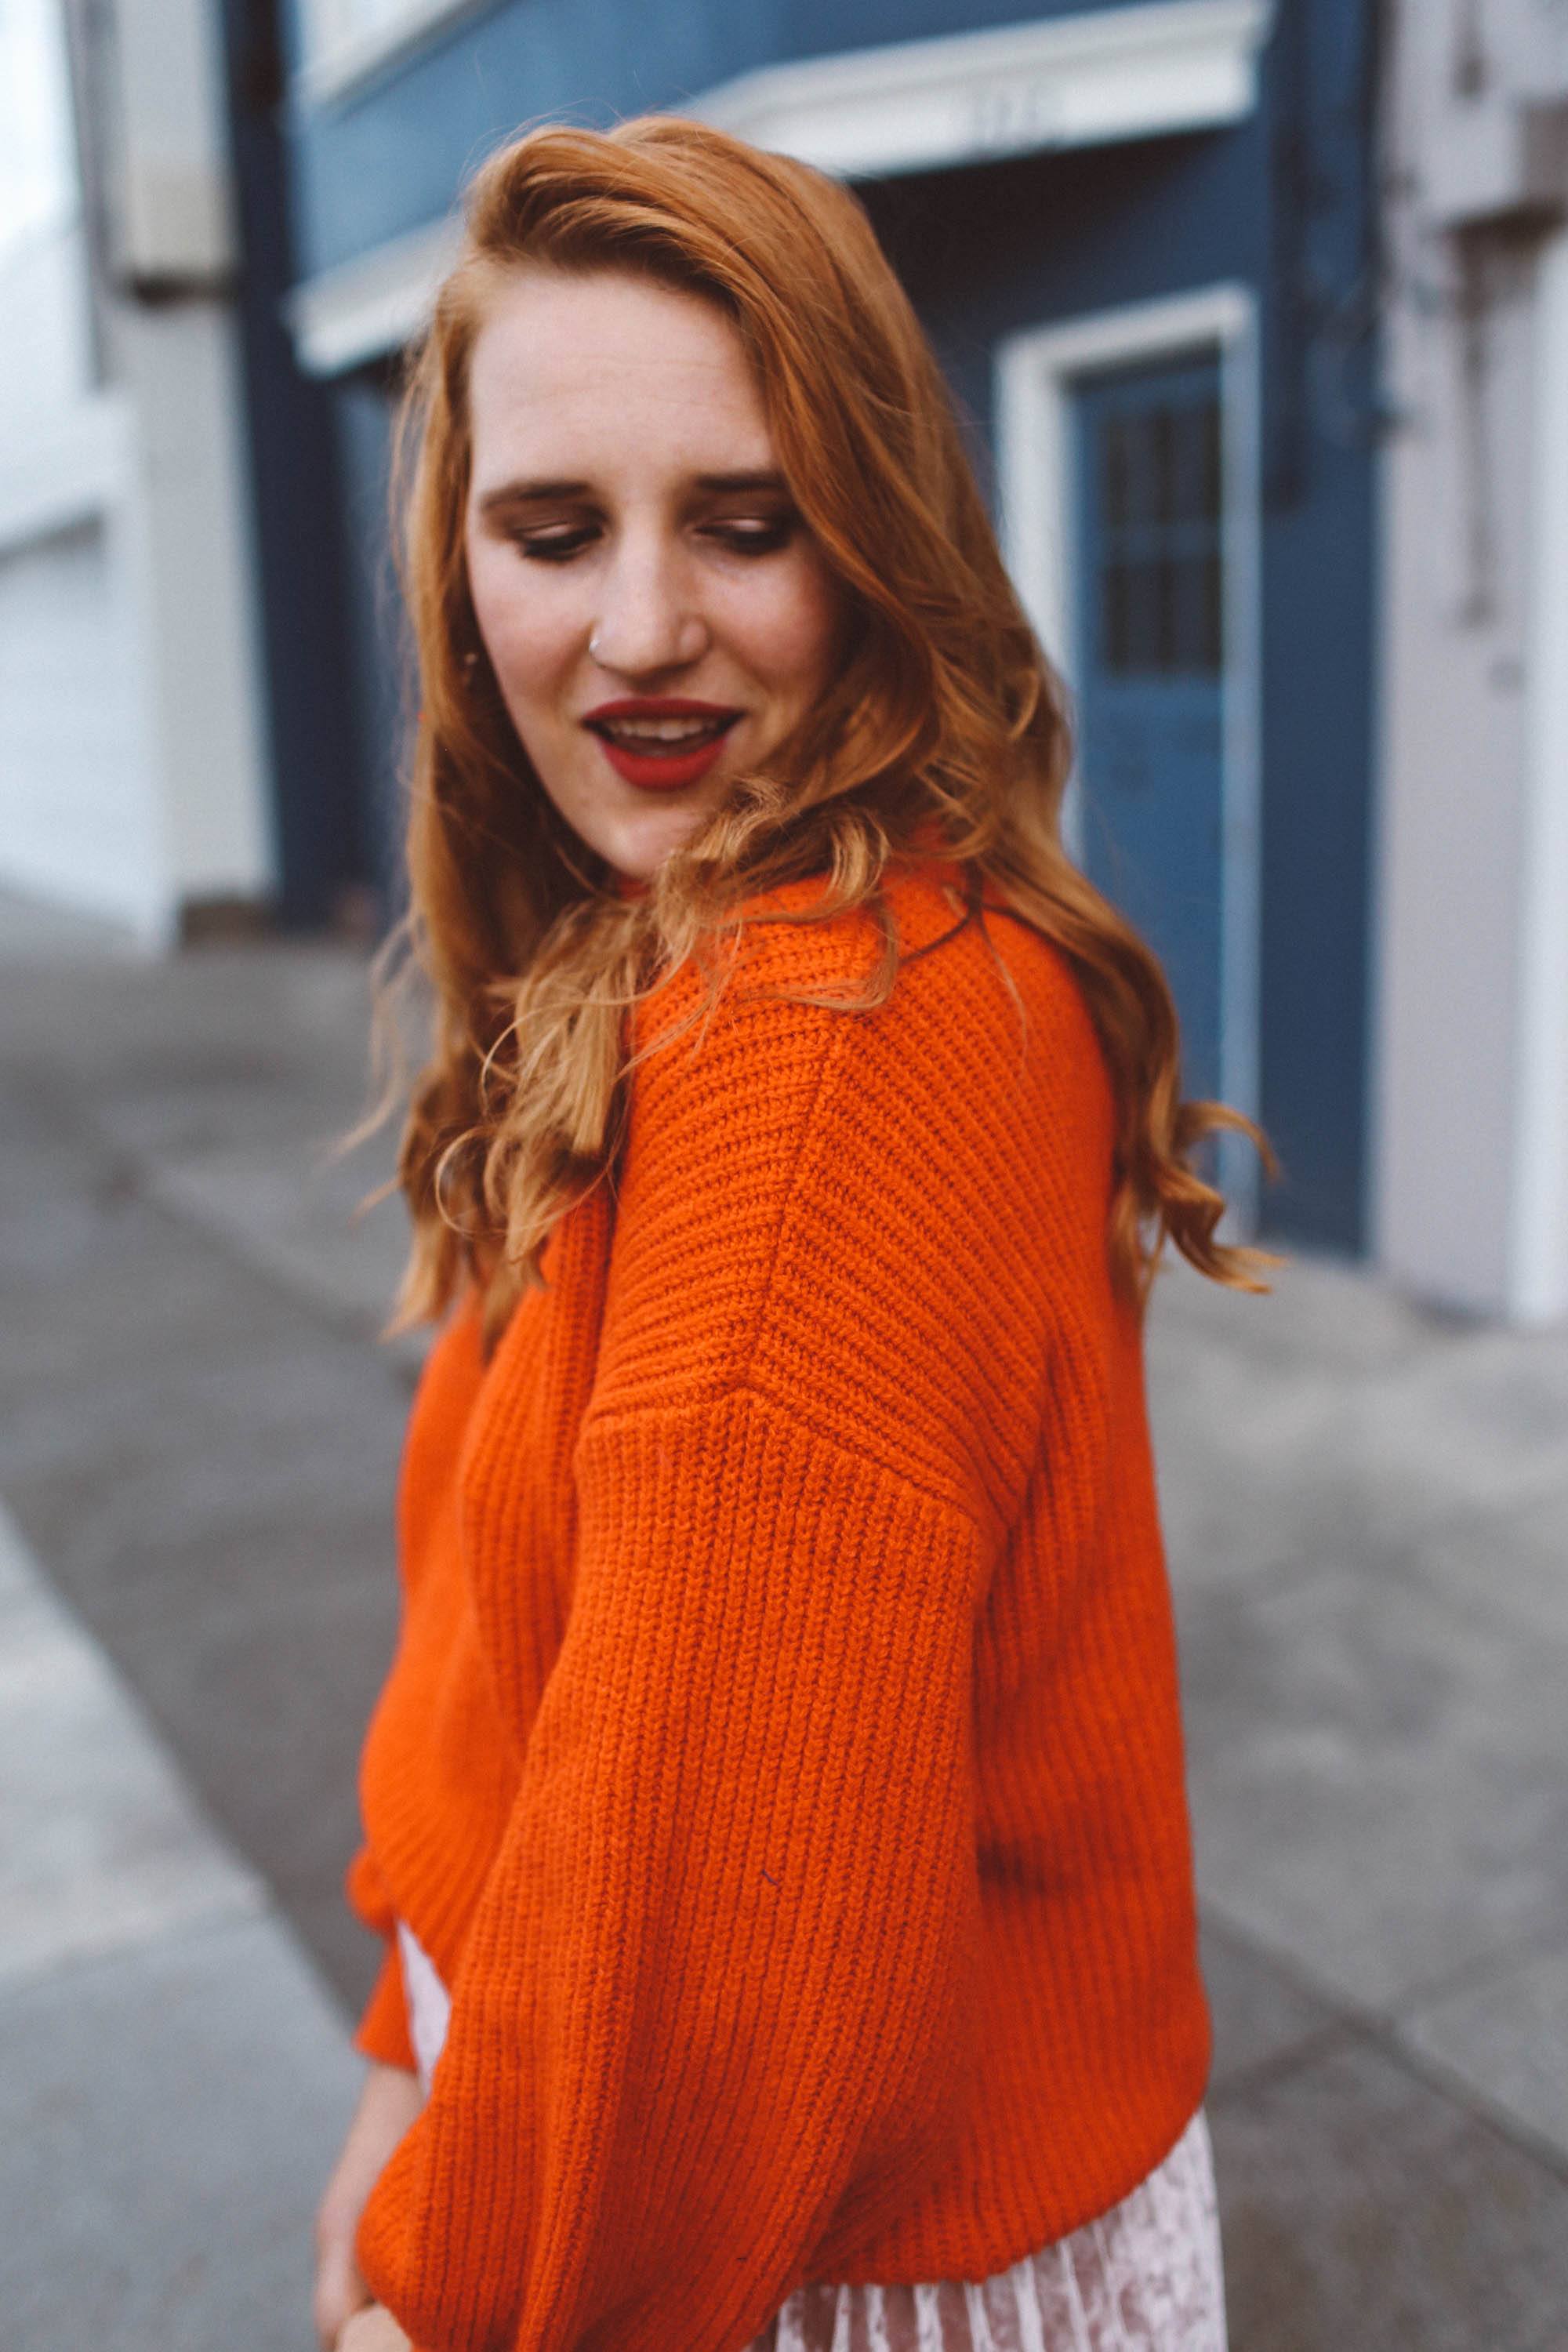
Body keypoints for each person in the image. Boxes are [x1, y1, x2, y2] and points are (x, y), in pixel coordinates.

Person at [311, 112, 1273, 2352]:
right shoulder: (647, 955)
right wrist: (403, 2046)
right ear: (457, 561)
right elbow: (513, 1679)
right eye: (555, 529)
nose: (643, 629)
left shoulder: (822, 1031)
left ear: (867, 535)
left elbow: (714, 1935)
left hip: (767, 2260)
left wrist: (436, 2297)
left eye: (745, 525)